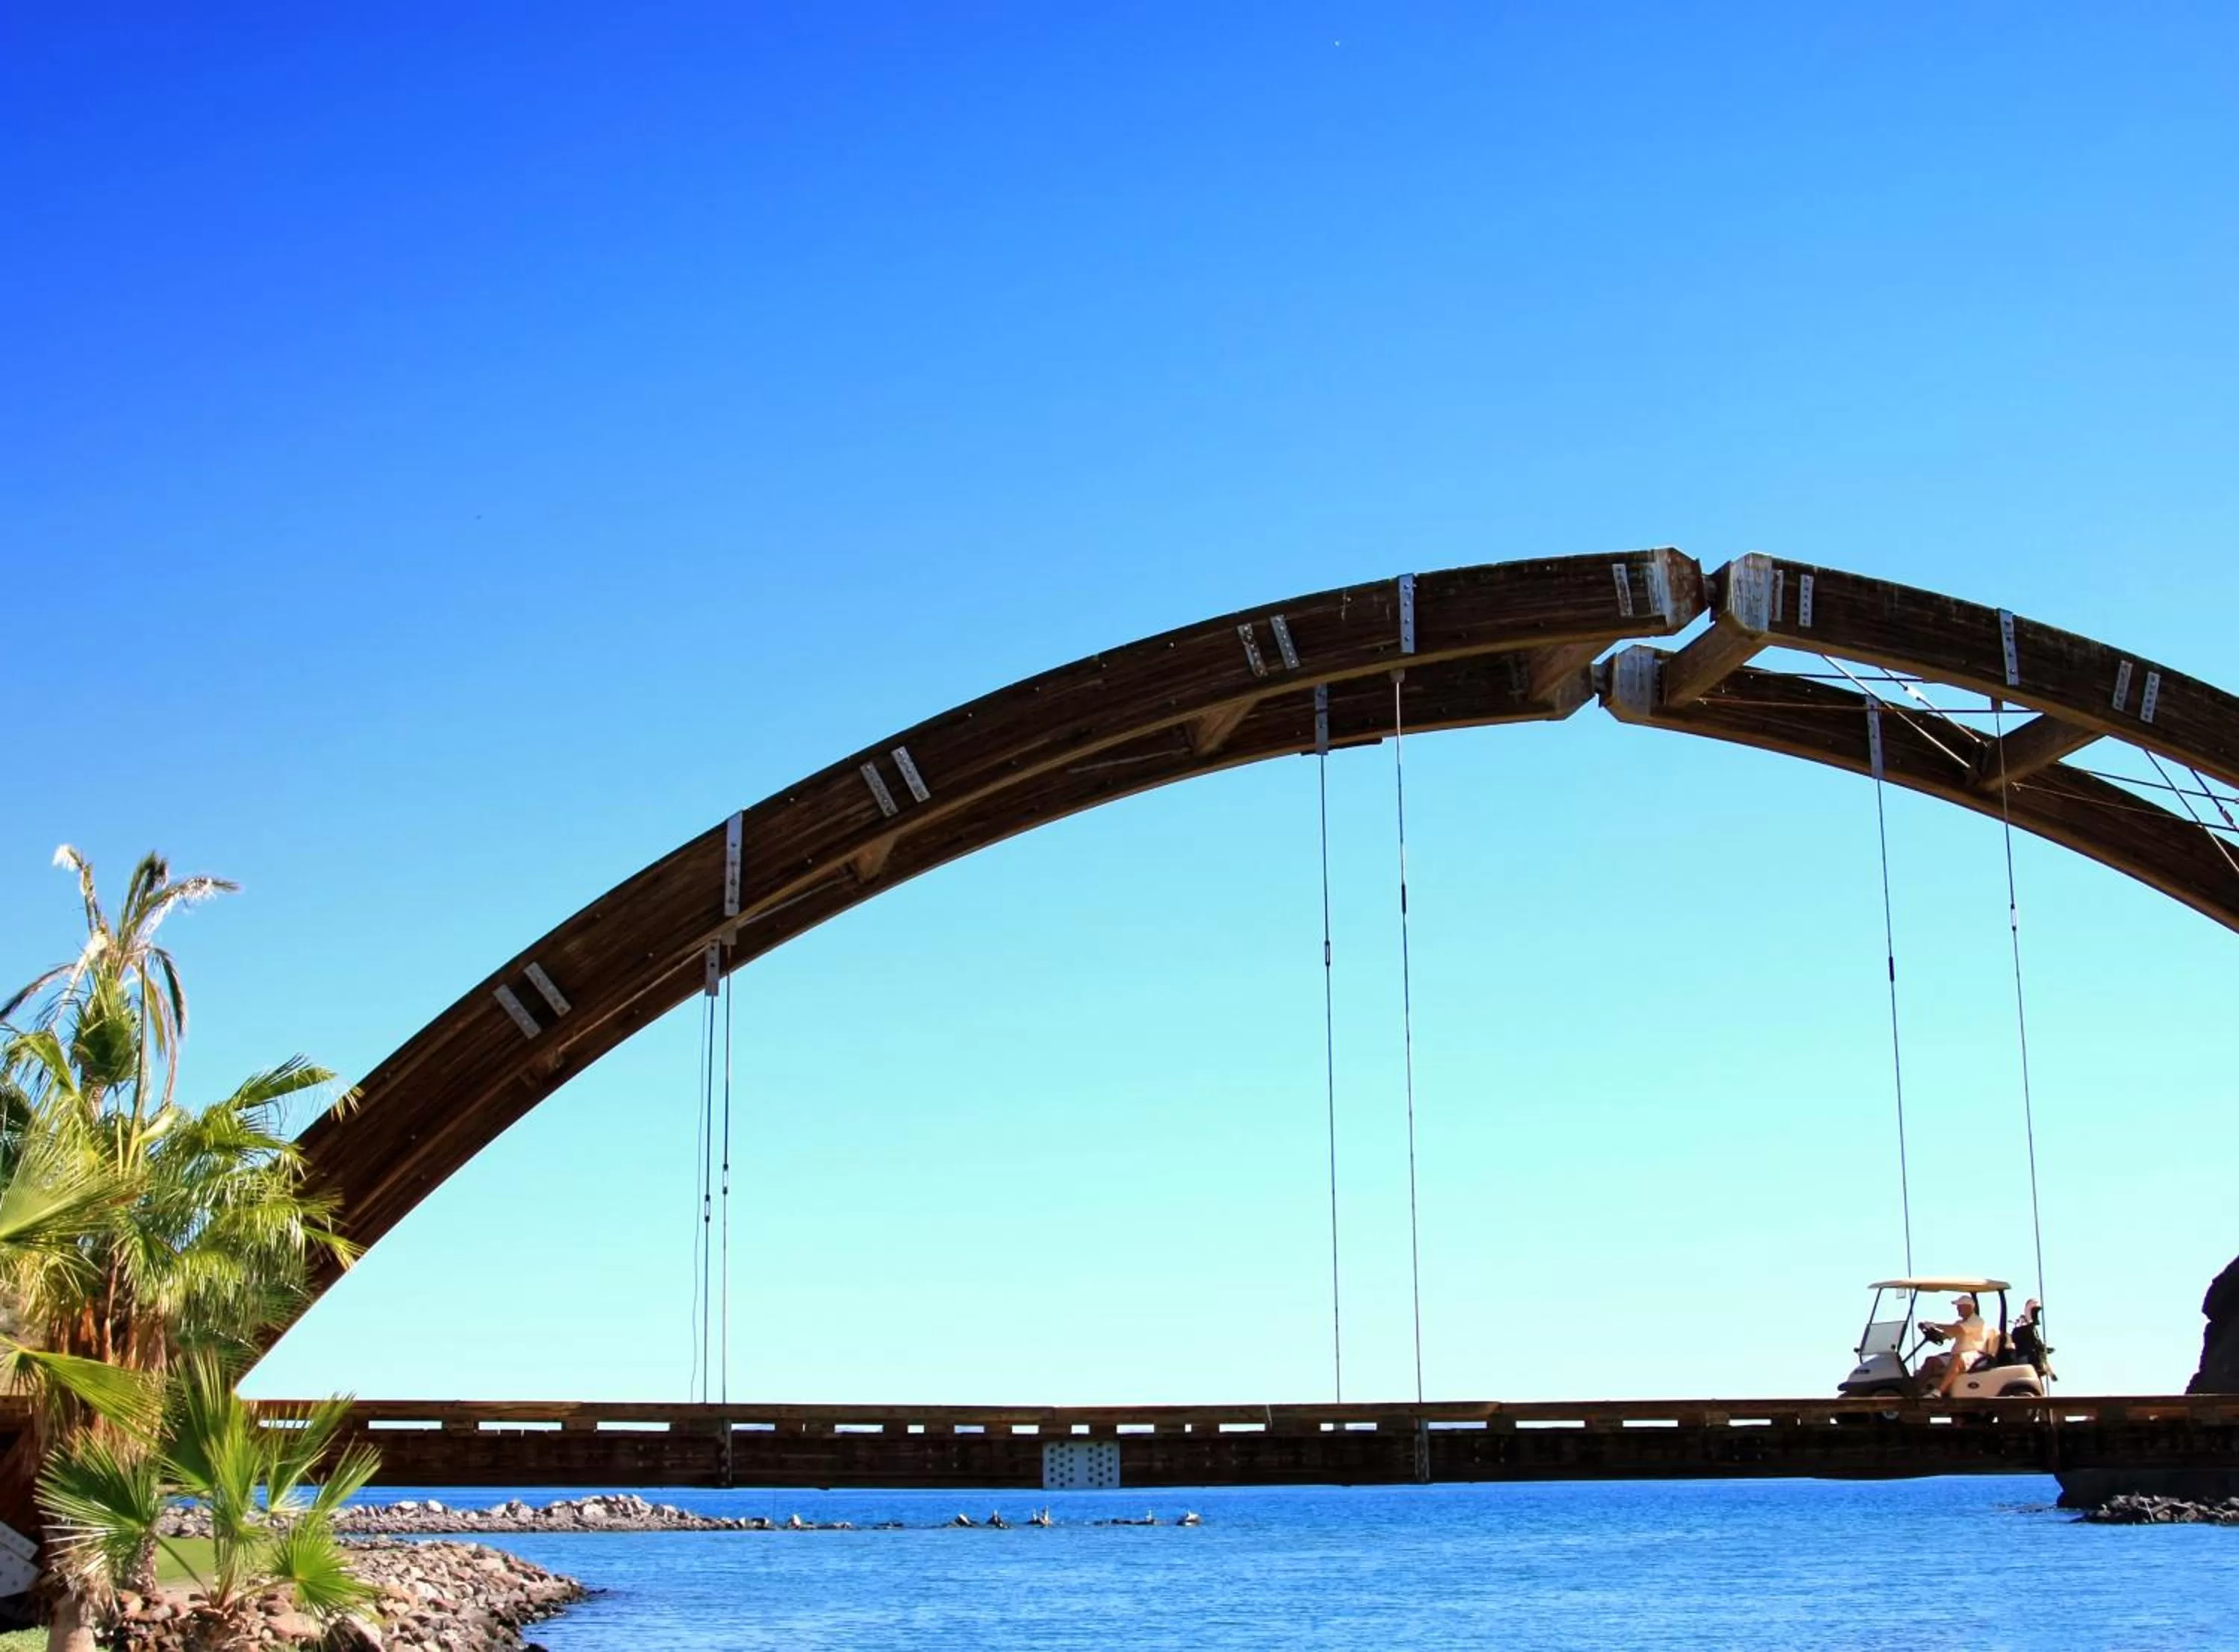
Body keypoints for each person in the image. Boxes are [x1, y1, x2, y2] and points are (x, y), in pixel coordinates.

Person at [1917, 1293, 1996, 1395]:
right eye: (1958, 1307)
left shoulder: (1977, 1321)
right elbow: (1946, 1335)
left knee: (1957, 1358)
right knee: (1931, 1360)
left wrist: (1936, 1325)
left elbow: (1959, 1330)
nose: (1958, 1309)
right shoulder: (1959, 1322)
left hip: (1974, 1355)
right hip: (1958, 1355)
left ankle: (1938, 1392)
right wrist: (1931, 1330)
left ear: (1969, 1307)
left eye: (1960, 1307)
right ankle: (1915, 1391)